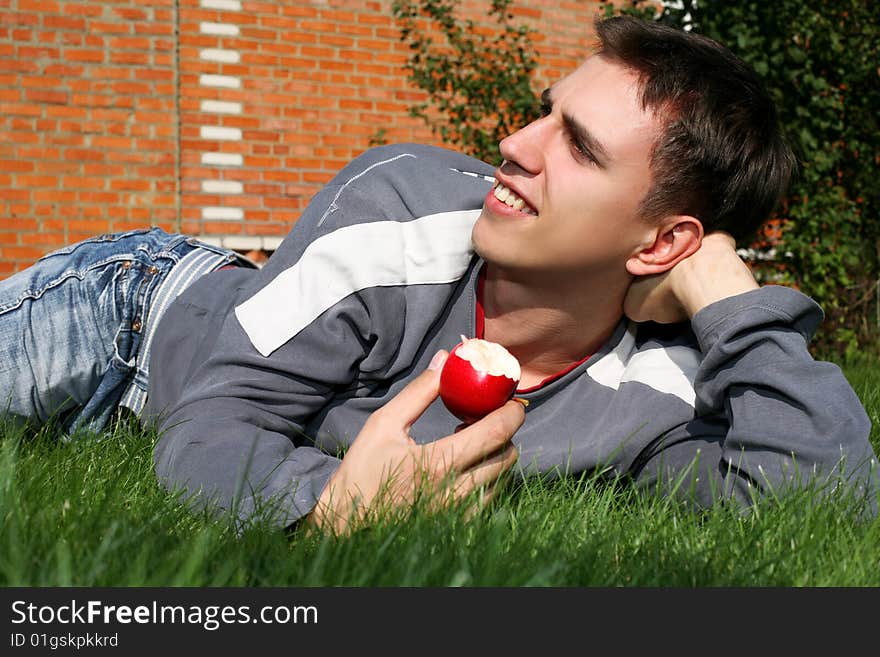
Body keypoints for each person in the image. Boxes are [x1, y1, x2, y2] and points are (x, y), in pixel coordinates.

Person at [1, 16, 877, 534]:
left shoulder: (656, 384)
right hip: (131, 318)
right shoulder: (400, 210)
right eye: (547, 114)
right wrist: (331, 506)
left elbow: (822, 502)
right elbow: (213, 424)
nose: (512, 145)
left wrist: (728, 296)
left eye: (575, 146)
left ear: (659, 245)